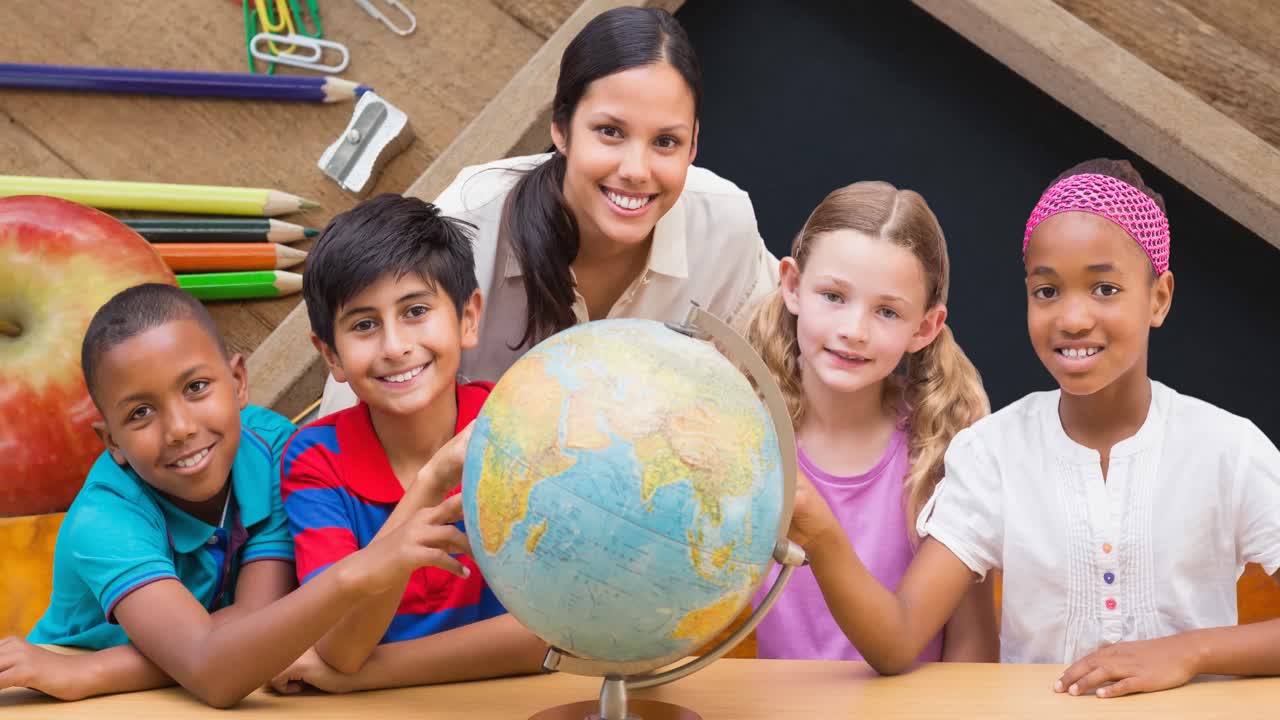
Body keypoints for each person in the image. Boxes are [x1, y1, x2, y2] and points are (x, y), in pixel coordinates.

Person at [784, 159, 1280, 697]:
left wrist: (1189, 651)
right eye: (1047, 291)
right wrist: (823, 536)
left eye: (1105, 289)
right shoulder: (992, 453)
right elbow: (899, 636)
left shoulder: (1229, 450)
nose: (1071, 318)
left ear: (1158, 297)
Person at [0, 283, 470, 706]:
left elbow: (256, 621)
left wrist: (95, 671)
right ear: (112, 442)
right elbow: (215, 672)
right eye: (141, 413)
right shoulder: (104, 519)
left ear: (240, 381)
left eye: (197, 387)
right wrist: (85, 669)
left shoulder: (275, 452)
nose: (180, 429)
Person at [318, 6, 777, 416]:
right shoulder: (467, 227)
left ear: (694, 144)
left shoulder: (724, 224)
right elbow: (361, 398)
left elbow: (777, 369)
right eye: (610, 132)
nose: (637, 170)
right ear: (560, 129)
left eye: (665, 142)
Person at [268, 194, 546, 695]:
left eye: (416, 310)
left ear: (467, 318)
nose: (395, 346)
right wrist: (430, 481)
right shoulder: (314, 459)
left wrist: (365, 676)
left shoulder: (518, 426)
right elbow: (340, 646)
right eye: (364, 325)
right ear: (330, 354)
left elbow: (551, 633)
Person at [743, 182, 997, 663]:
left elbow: (973, 648)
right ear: (793, 286)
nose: (853, 331)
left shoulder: (945, 447)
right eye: (833, 296)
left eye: (886, 311)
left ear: (924, 327)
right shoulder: (745, 439)